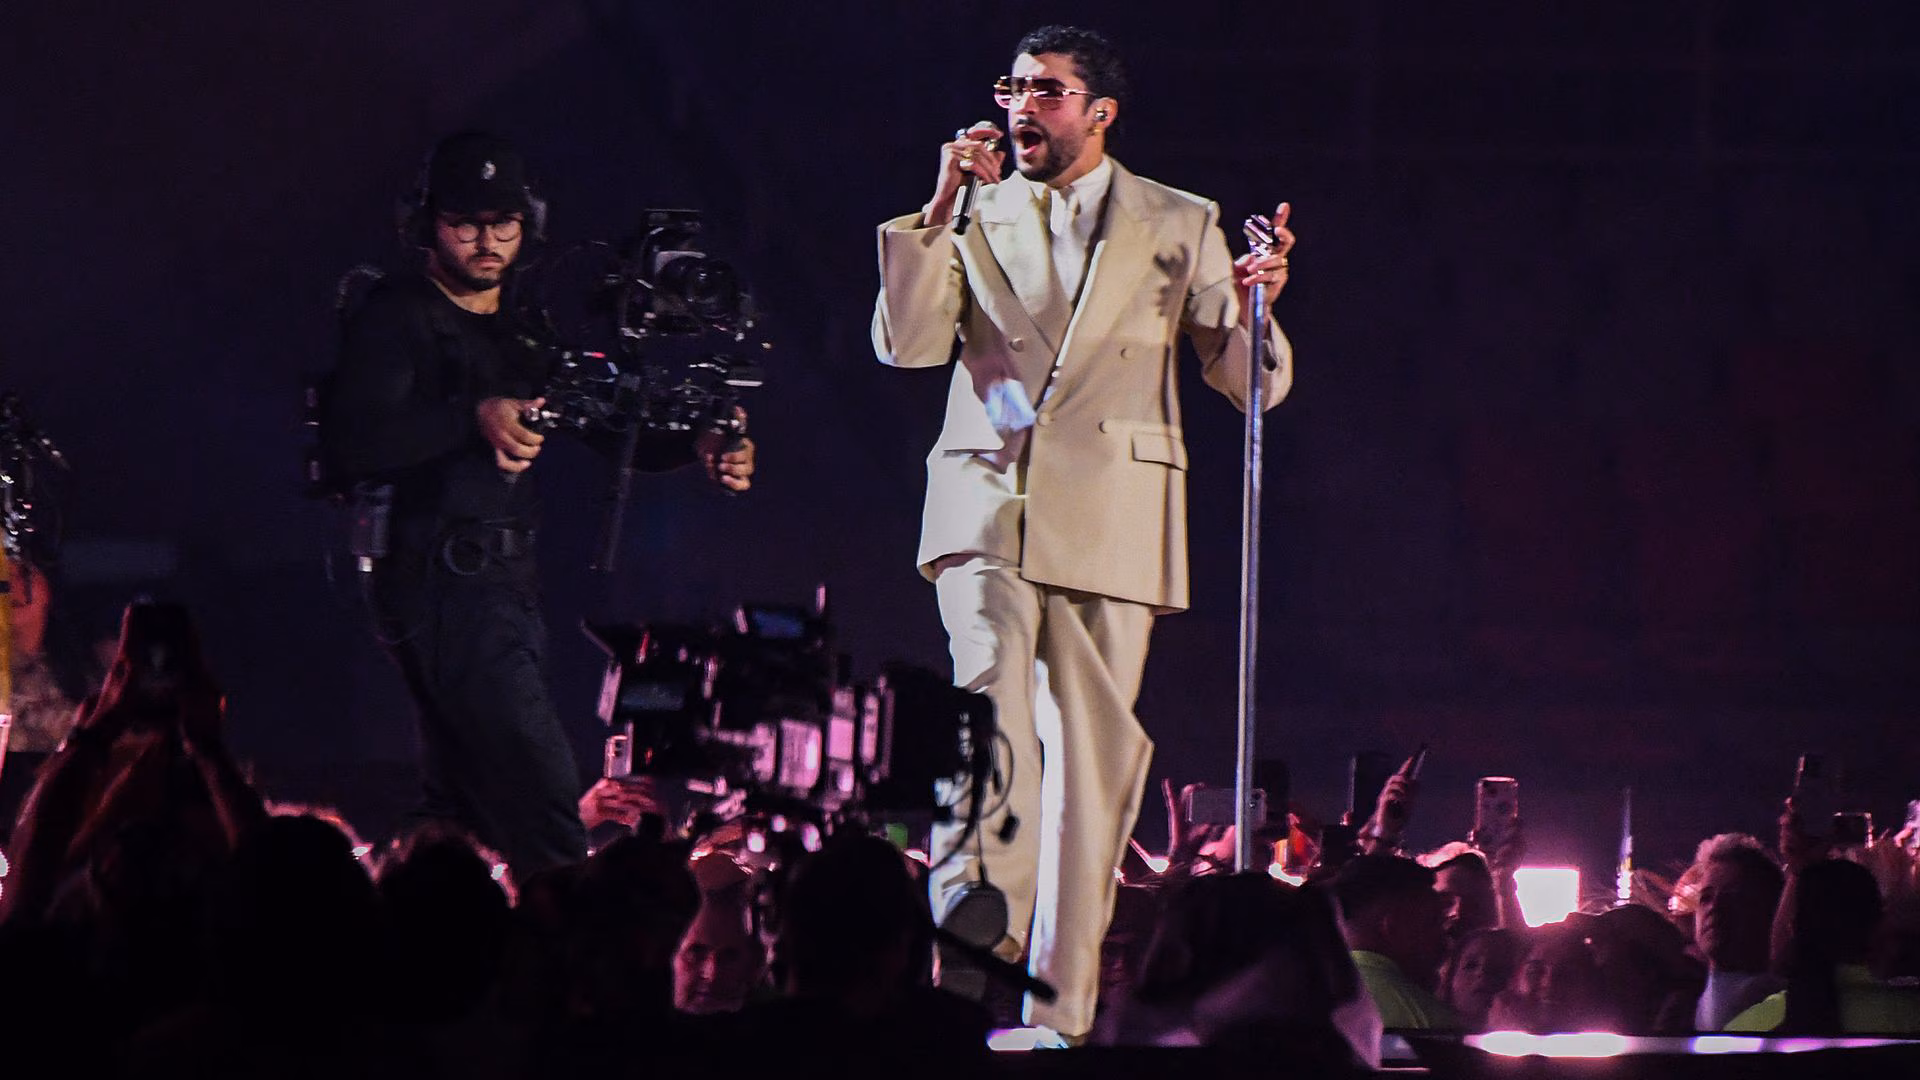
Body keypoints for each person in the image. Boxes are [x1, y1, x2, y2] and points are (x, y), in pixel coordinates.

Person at [870, 24, 1294, 1039]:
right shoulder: (967, 209)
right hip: (988, 501)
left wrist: (1258, 307)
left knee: (1091, 764)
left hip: (1114, 514)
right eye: (1013, 87)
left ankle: (1058, 1007)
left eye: (1047, 90)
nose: (1022, 105)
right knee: (986, 700)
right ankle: (974, 917)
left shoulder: (1180, 220)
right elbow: (909, 346)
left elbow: (1251, 386)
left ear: (1100, 112)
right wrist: (938, 207)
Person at [323, 131, 754, 876]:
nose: (486, 241)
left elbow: (607, 424)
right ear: (426, 223)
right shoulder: (396, 316)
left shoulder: (525, 330)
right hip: (437, 581)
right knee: (544, 794)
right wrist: (472, 417)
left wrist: (700, 442)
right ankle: (566, 930)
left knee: (460, 806)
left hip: (504, 588)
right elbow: (351, 444)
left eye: (504, 223)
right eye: (465, 223)